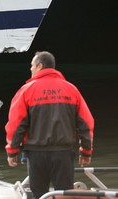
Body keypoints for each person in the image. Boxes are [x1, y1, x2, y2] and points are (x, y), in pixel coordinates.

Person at [5, 51, 94, 199]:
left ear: (40, 66)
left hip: (36, 155)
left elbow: (16, 124)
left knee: (40, 195)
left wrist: (12, 151)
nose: (30, 69)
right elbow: (86, 123)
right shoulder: (71, 89)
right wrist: (86, 151)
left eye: (32, 66)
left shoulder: (26, 91)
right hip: (63, 154)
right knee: (64, 194)